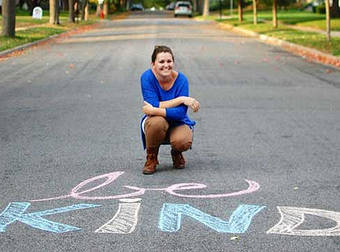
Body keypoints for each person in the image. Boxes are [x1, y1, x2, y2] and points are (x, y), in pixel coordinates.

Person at [140, 45, 200, 175]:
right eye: (161, 62)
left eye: (169, 61)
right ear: (153, 64)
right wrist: (180, 99)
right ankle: (152, 156)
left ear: (173, 62)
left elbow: (180, 113)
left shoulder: (182, 80)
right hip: (156, 121)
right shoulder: (147, 77)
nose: (166, 65)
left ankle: (176, 152)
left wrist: (154, 110)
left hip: (177, 121)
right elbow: (153, 103)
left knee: (182, 141)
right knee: (157, 123)